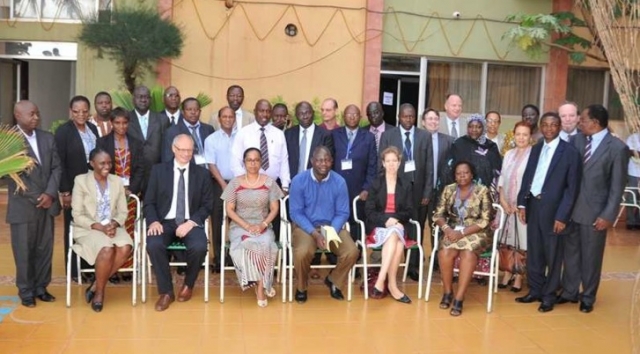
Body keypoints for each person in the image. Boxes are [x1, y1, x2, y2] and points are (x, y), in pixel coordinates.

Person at [559, 104, 628, 313]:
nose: (579, 123)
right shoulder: (576, 140)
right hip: (571, 211)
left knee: (591, 256)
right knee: (570, 254)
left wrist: (608, 215)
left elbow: (617, 187)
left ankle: (588, 296)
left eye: (583, 120)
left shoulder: (617, 148)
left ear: (595, 123)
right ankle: (569, 291)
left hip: (595, 214)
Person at [516, 112, 581, 313]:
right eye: (545, 125)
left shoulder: (570, 152)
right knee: (534, 251)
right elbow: (528, 176)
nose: (549, 128)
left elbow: (572, 189)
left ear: (559, 126)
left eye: (553, 125)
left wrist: (562, 216)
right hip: (534, 206)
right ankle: (535, 289)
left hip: (554, 212)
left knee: (553, 254)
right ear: (540, 127)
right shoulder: (536, 149)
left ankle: (549, 295)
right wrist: (522, 204)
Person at [144, 134, 214, 311]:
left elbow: (208, 205)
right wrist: (153, 222)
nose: (186, 154)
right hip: (164, 222)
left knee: (199, 247)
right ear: (174, 149)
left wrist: (191, 223)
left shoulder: (202, 174)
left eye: (190, 150)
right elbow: (149, 202)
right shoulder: (158, 171)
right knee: (154, 244)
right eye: (182, 150)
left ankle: (188, 284)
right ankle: (166, 292)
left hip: (190, 222)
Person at [8, 100, 61, 308]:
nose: (36, 117)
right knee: (24, 250)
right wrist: (38, 195)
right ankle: (26, 291)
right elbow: (14, 175)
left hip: (46, 205)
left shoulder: (48, 138)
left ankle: (41, 287)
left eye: (37, 113)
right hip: (24, 207)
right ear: (18, 116)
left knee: (44, 248)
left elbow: (57, 167)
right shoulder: (9, 142)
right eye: (31, 114)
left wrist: (49, 193)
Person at [289, 146, 359, 303]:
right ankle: (301, 287)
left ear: (332, 162)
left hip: (332, 226)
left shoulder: (339, 182)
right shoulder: (299, 181)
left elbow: (342, 212)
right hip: (306, 228)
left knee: (352, 251)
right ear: (312, 161)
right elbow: (296, 213)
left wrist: (330, 232)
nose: (323, 164)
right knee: (301, 253)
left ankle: (334, 280)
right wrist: (315, 233)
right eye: (319, 160)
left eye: (327, 160)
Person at [71, 149, 133, 312]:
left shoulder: (117, 181)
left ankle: (95, 285)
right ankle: (99, 293)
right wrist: (100, 227)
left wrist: (113, 224)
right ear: (92, 164)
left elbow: (123, 211)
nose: (107, 166)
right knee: (106, 249)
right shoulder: (81, 181)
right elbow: (77, 214)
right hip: (88, 228)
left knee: (126, 246)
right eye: (102, 163)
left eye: (109, 163)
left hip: (111, 226)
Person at [221, 148, 283, 307]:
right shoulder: (234, 183)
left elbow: (275, 208)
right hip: (240, 226)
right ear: (244, 162)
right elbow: (229, 210)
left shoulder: (269, 182)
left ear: (261, 162)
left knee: (267, 245)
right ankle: (260, 284)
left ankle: (261, 286)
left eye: (256, 160)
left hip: (263, 225)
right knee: (247, 246)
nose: (253, 163)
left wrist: (262, 224)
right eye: (249, 160)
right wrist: (247, 226)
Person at [379, 103, 433, 281]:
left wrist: (427, 192)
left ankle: (414, 266)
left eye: (411, 116)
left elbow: (430, 166)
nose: (408, 120)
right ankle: (392, 261)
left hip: (418, 191)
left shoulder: (424, 136)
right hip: (396, 189)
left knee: (416, 226)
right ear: (398, 117)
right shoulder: (388, 135)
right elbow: (382, 165)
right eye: (405, 116)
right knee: (397, 224)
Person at [433, 161, 493, 316]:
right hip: (452, 230)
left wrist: (462, 233)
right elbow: (438, 214)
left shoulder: (482, 190)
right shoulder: (449, 189)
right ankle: (447, 292)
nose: (462, 176)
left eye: (465, 173)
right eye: (458, 173)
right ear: (454, 176)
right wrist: (447, 229)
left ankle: (459, 298)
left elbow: (485, 220)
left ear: (472, 174)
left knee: (467, 253)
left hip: (476, 232)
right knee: (444, 252)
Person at [96, 107, 145, 283]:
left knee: (129, 229)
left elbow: (140, 169)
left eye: (125, 123)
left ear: (129, 123)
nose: (121, 126)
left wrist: (132, 189)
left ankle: (128, 268)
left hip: (130, 196)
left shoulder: (137, 143)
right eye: (117, 122)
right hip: (109, 195)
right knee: (111, 230)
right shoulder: (102, 142)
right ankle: (111, 270)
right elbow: (100, 168)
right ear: (111, 123)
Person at [55, 95, 100, 283]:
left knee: (90, 227)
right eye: (76, 111)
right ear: (70, 112)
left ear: (88, 112)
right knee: (74, 228)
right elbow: (60, 163)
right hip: (73, 189)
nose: (80, 114)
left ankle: (89, 266)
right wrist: (65, 191)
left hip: (93, 187)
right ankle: (74, 270)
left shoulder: (92, 129)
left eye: (84, 111)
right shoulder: (63, 132)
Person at [364, 146, 414, 304]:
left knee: (396, 240)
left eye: (395, 160)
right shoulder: (376, 183)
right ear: (383, 163)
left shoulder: (405, 184)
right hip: (378, 227)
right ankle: (390, 284)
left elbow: (408, 211)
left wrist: (395, 221)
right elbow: (369, 211)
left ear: (399, 163)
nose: (392, 164)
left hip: (398, 226)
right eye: (388, 161)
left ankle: (384, 281)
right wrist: (387, 221)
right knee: (396, 241)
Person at [497, 122, 533, 292]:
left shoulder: (533, 155)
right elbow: (502, 179)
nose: (521, 138)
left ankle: (519, 276)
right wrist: (503, 201)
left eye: (525, 134)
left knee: (522, 241)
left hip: (522, 207)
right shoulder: (509, 154)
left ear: (530, 137)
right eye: (518, 134)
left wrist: (521, 204)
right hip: (507, 206)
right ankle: (507, 273)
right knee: (507, 241)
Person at [231, 99, 291, 191]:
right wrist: (245, 183)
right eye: (261, 111)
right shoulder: (243, 133)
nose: (265, 114)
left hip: (273, 187)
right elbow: (236, 161)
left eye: (268, 111)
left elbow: (284, 161)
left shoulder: (279, 134)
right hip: (248, 188)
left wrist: (285, 186)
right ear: (255, 112)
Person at [332, 104, 377, 225]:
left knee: (356, 223)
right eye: (349, 114)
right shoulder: (334, 135)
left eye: (355, 114)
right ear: (343, 116)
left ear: (360, 117)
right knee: (337, 221)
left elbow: (372, 166)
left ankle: (356, 243)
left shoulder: (369, 137)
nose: (352, 117)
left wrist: (367, 188)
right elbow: (328, 162)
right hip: (336, 187)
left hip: (359, 190)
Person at [204, 106, 237, 272]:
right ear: (219, 119)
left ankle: (235, 256)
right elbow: (211, 164)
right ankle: (218, 259)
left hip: (238, 183)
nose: (228, 119)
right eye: (224, 116)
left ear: (235, 119)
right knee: (217, 221)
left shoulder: (242, 137)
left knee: (237, 221)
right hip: (218, 184)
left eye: (231, 116)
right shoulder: (211, 139)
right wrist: (223, 184)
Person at [441, 114, 502, 194]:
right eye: (471, 126)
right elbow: (448, 169)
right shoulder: (459, 144)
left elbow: (497, 171)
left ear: (483, 128)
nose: (474, 129)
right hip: (460, 192)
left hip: (484, 193)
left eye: (478, 127)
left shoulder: (490, 146)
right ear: (467, 128)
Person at [128, 86, 168, 185]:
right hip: (132, 172)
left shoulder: (162, 119)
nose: (143, 100)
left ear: (150, 100)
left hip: (156, 173)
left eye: (146, 97)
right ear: (133, 100)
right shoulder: (125, 119)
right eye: (140, 97)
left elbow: (166, 147)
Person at [285, 101, 334, 179]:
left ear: (313, 113)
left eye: (308, 113)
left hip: (315, 182)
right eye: (301, 113)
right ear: (296, 116)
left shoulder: (325, 135)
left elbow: (328, 162)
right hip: (293, 182)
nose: (305, 116)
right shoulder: (289, 134)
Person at [162, 98, 215, 166]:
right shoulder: (171, 132)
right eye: (189, 109)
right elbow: (167, 158)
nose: (193, 112)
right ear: (182, 112)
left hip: (208, 172)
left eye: (196, 109)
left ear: (200, 111)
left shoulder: (209, 129)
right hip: (187, 172)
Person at [625, 131, 640, 230]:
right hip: (633, 172)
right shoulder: (632, 138)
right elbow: (630, 152)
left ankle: (638, 220)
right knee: (631, 196)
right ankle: (630, 221)